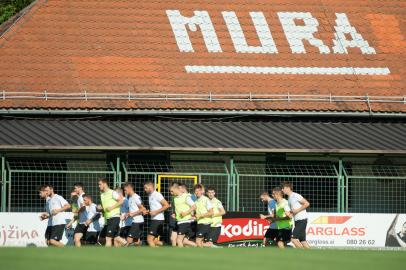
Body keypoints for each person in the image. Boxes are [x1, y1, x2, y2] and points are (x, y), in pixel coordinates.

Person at [281, 182, 310, 249]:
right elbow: (293, 211)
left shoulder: (295, 195)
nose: (282, 190)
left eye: (283, 188)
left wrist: (297, 210)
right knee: (303, 241)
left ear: (288, 188)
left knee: (293, 239)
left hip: (302, 219)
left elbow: (307, 203)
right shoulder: (289, 199)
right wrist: (289, 213)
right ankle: (312, 255)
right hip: (298, 221)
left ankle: (302, 254)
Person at [97, 178, 124, 247]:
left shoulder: (112, 192)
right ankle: (127, 244)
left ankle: (106, 256)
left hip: (114, 217)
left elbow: (121, 201)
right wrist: (100, 208)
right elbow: (105, 207)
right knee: (116, 237)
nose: (98, 186)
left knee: (108, 238)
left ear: (105, 184)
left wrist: (112, 207)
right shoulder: (102, 195)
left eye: (100, 184)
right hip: (107, 219)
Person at [144, 181, 170, 247]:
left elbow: (166, 205)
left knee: (149, 239)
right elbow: (155, 208)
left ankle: (152, 256)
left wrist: (156, 212)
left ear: (150, 187)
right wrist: (148, 211)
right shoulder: (150, 195)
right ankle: (167, 246)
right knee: (154, 241)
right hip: (154, 219)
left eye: (146, 188)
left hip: (158, 220)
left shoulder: (157, 195)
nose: (145, 190)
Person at [170, 183, 196, 247]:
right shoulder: (175, 198)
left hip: (185, 221)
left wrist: (186, 213)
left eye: (172, 191)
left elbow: (194, 206)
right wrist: (175, 215)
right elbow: (178, 210)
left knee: (179, 240)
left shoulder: (186, 197)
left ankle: (179, 255)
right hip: (179, 221)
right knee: (182, 241)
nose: (171, 193)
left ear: (176, 189)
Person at [123, 182, 145, 246]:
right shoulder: (130, 198)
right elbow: (133, 210)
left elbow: (142, 209)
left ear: (130, 188)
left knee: (129, 239)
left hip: (137, 221)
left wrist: (133, 214)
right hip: (134, 221)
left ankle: (122, 253)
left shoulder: (136, 197)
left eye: (125, 190)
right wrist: (128, 214)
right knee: (136, 241)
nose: (124, 192)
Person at [72, 183, 87, 247]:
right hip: (82, 222)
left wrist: (77, 210)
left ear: (80, 188)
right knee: (76, 239)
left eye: (75, 188)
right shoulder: (81, 197)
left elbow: (83, 208)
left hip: (84, 222)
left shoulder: (82, 197)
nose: (74, 189)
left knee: (77, 239)